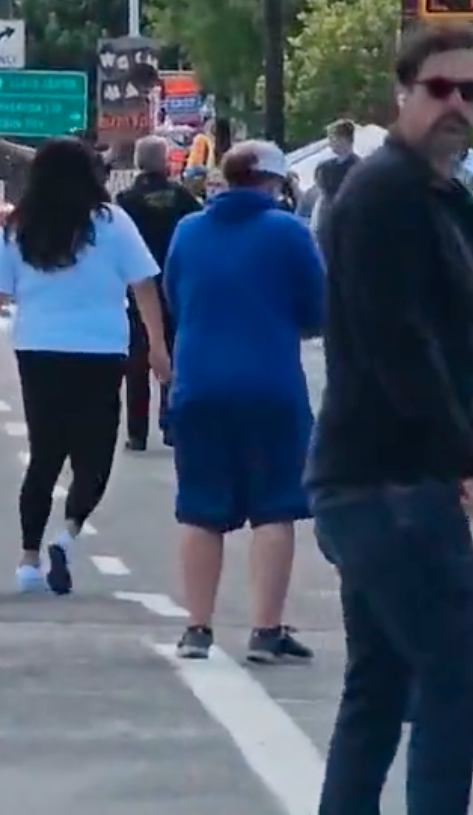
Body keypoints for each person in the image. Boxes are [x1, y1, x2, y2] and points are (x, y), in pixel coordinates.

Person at [307, 20, 473, 815]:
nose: (456, 104)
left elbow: (466, 315)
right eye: (439, 89)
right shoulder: (384, 193)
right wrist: (469, 462)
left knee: (382, 683)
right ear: (401, 93)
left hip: (383, 480)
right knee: (458, 678)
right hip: (388, 483)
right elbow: (400, 347)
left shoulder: (435, 191)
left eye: (471, 91)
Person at [0, 136, 168, 596]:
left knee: (45, 455)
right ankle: (67, 536)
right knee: (94, 458)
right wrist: (157, 347)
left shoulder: (19, 227)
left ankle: (28, 559)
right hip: (101, 352)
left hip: (38, 351)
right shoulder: (111, 222)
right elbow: (145, 286)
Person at [160, 141, 323, 662]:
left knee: (201, 508)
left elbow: (174, 295)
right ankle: (265, 629)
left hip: (199, 381)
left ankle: (197, 627)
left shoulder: (188, 231)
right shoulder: (288, 232)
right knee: (275, 505)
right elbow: (318, 308)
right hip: (269, 381)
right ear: (275, 182)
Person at [114, 134, 201, 451]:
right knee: (174, 355)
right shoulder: (182, 198)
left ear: (138, 162)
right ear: (165, 161)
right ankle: (172, 424)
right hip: (175, 287)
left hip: (135, 289)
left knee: (137, 361)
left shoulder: (125, 201)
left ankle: (137, 432)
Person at [308, 119, 359, 237]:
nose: (330, 143)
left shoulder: (359, 168)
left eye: (332, 138)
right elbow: (321, 196)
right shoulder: (324, 168)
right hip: (326, 223)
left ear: (343, 139)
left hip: (348, 225)